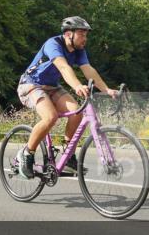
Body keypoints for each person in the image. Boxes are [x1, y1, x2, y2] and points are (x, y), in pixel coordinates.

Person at [15, 16, 119, 179]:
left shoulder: (79, 51)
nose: (85, 38)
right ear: (68, 34)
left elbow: (88, 70)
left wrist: (106, 89)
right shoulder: (53, 44)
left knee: (77, 113)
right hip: (30, 85)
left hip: (52, 87)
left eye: (86, 35)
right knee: (50, 117)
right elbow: (63, 67)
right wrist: (77, 86)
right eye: (81, 34)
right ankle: (27, 153)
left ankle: (68, 155)